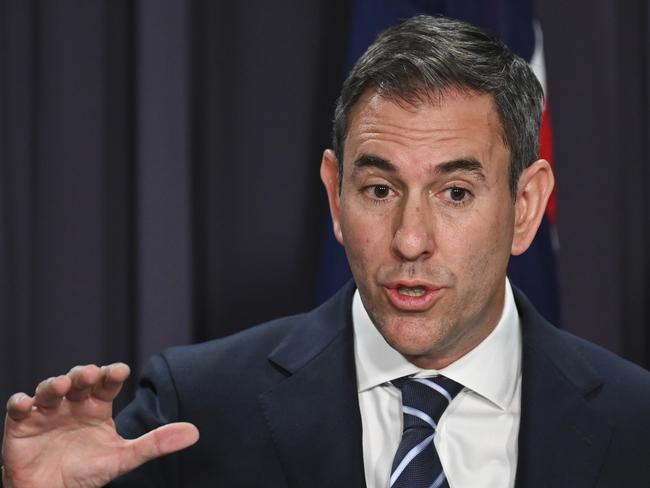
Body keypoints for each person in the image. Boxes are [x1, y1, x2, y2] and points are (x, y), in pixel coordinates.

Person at [3, 15, 650, 488]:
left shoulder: (636, 423)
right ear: (335, 198)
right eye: (377, 188)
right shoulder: (197, 408)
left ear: (527, 206)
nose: (410, 239)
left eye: (454, 192)